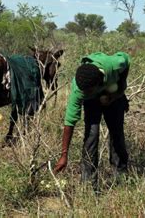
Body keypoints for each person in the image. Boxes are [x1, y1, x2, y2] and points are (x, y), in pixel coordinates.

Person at [53, 51, 130, 189]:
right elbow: (69, 121)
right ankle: (89, 183)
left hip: (113, 96)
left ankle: (120, 177)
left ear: (98, 83)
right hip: (93, 102)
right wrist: (64, 155)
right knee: (91, 135)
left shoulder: (114, 64)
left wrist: (119, 91)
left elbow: (126, 58)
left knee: (116, 133)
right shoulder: (79, 89)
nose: (83, 94)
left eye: (87, 92)